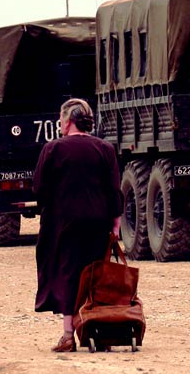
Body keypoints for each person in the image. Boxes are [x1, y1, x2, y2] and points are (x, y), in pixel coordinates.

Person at [32, 98, 123, 353]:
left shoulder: (53, 149)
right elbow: (113, 190)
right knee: (96, 274)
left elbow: (39, 188)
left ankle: (68, 335)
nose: (60, 125)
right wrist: (115, 224)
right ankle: (99, 332)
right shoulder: (105, 149)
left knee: (68, 273)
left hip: (65, 223)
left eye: (61, 120)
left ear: (69, 120)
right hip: (98, 222)